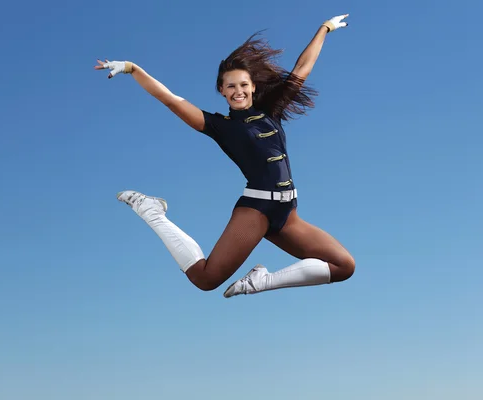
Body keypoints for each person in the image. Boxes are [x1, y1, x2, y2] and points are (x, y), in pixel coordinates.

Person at [94, 13, 355, 298]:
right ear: (221, 90)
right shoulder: (221, 126)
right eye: (230, 86)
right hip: (256, 211)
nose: (238, 91)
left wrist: (325, 28)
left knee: (343, 266)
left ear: (253, 86)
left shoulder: (272, 111)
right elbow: (169, 98)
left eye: (243, 85)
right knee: (205, 279)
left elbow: (303, 67)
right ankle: (151, 211)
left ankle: (262, 280)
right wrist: (133, 68)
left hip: (288, 213)